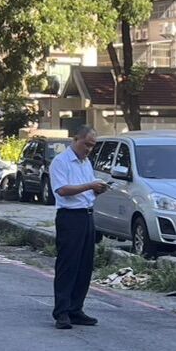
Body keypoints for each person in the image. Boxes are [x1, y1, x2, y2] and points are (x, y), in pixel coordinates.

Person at [49, 125, 109, 330]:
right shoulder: (61, 161)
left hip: (87, 215)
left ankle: (76, 308)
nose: (88, 149)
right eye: (86, 145)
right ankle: (62, 311)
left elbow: (87, 190)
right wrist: (90, 186)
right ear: (76, 139)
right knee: (68, 265)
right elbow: (62, 190)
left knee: (84, 265)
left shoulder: (86, 163)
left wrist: (97, 189)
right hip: (70, 217)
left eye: (92, 146)